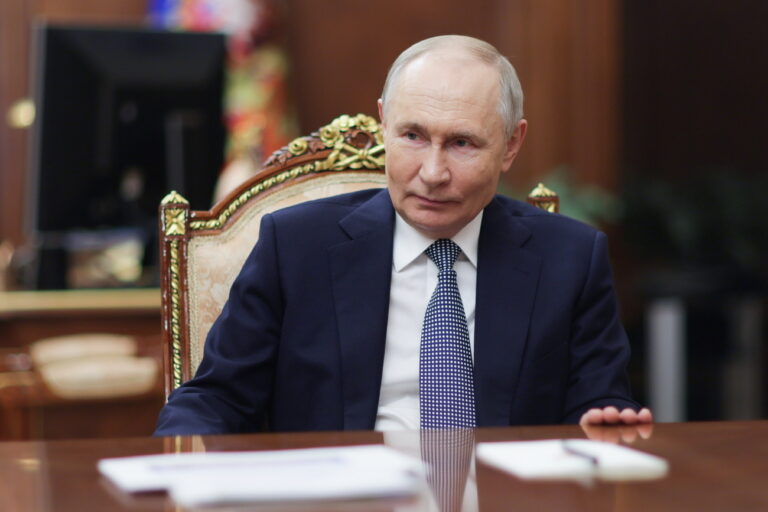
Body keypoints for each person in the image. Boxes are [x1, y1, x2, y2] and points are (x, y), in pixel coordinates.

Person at [155, 35, 651, 436]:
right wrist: (176, 469)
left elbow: (598, 403)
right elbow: (216, 398)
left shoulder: (570, 258)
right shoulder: (296, 246)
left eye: (462, 143)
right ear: (384, 124)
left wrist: (602, 426)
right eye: (412, 136)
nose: (432, 173)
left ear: (511, 145)